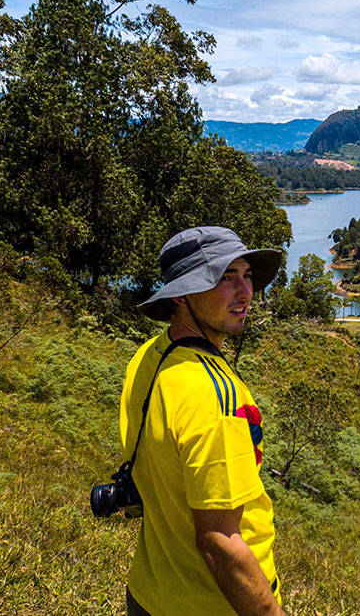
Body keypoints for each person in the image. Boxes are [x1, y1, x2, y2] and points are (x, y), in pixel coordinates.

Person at [120, 226, 287, 616]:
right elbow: (220, 541)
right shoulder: (215, 396)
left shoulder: (150, 357)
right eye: (224, 278)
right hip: (212, 605)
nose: (245, 291)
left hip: (148, 592)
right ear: (180, 294)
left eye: (246, 275)